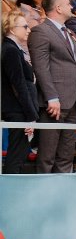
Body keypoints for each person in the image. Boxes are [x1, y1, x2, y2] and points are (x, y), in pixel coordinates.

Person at [29, 0, 76, 173]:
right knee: (47, 155)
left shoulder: (70, 32)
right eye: (67, 4)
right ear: (58, 8)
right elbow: (41, 68)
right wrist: (51, 97)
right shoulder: (40, 31)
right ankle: (44, 195)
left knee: (66, 154)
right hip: (53, 103)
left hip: (72, 102)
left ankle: (61, 195)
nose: (71, 7)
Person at [1, 10, 37, 173]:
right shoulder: (10, 50)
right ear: (12, 29)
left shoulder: (11, 48)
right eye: (24, 26)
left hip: (17, 109)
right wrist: (30, 116)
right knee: (17, 154)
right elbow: (19, 84)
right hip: (17, 110)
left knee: (18, 153)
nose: (28, 30)